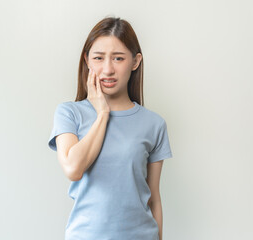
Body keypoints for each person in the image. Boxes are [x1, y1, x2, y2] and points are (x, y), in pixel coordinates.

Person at [48, 16, 173, 240]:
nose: (107, 69)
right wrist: (103, 114)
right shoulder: (69, 113)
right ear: (87, 61)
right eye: (98, 58)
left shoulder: (154, 124)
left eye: (118, 58)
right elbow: (73, 169)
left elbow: (154, 199)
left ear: (135, 62)